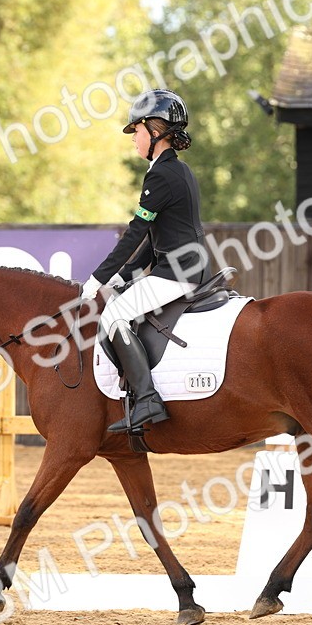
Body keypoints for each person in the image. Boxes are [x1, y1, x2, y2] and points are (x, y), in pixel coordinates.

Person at [80, 88, 212, 433]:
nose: (134, 138)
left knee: (114, 315)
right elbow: (157, 239)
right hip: (184, 266)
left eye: (136, 130)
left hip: (177, 273)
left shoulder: (160, 175)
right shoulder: (178, 171)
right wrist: (125, 276)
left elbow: (136, 231)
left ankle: (148, 398)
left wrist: (97, 278)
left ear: (156, 130)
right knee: (122, 304)